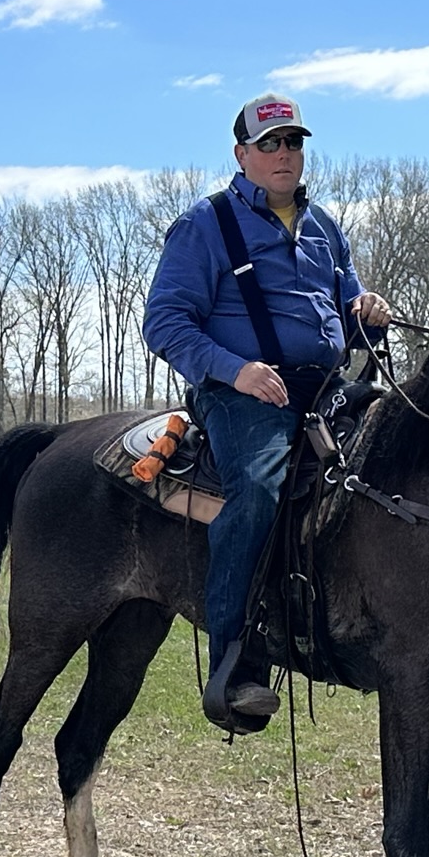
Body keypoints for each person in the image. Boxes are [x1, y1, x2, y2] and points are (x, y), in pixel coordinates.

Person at [143, 92, 391, 732]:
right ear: (241, 154)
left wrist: (365, 309)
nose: (285, 154)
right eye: (270, 144)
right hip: (242, 392)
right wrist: (238, 372)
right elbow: (164, 322)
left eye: (294, 142)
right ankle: (234, 663)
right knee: (255, 489)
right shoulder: (206, 225)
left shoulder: (325, 228)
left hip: (325, 386)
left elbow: (346, 306)